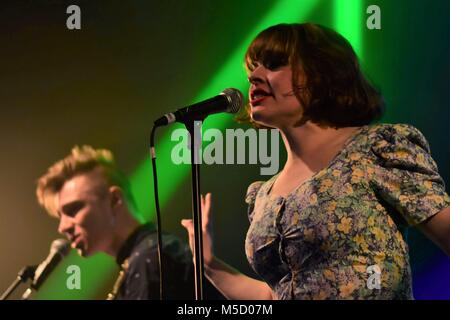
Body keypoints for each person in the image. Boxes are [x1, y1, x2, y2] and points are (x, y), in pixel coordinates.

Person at [181, 23, 450, 300]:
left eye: (273, 64)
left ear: (321, 73)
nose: (255, 77)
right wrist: (208, 265)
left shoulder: (376, 148)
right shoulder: (263, 195)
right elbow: (277, 296)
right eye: (253, 68)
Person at [36, 145, 201, 300]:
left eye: (73, 210)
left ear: (114, 200)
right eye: (60, 217)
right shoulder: (146, 256)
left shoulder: (148, 259)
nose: (63, 227)